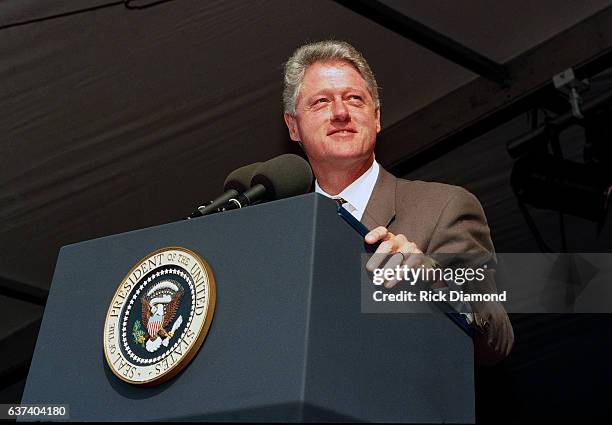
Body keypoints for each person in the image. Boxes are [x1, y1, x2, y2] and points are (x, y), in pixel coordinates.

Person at [282, 40, 513, 365]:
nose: (340, 113)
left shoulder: (444, 206)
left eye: (354, 99)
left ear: (376, 117)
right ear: (293, 126)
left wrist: (433, 280)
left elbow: (499, 337)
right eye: (321, 101)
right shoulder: (283, 230)